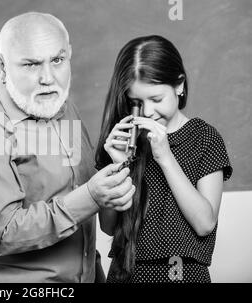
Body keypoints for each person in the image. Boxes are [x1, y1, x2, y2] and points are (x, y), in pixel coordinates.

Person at [0, 12, 135, 283]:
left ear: (69, 54)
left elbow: (79, 221)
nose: (48, 78)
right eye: (31, 64)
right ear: (1, 66)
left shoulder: (62, 108)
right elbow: (5, 232)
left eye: (57, 60)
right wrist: (92, 197)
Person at [95, 35, 232, 283]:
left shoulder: (204, 137)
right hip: (126, 274)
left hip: (184, 275)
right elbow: (108, 226)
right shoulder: (124, 139)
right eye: (137, 102)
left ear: (179, 86)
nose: (147, 112)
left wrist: (165, 157)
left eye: (156, 99)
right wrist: (117, 166)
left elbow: (204, 223)